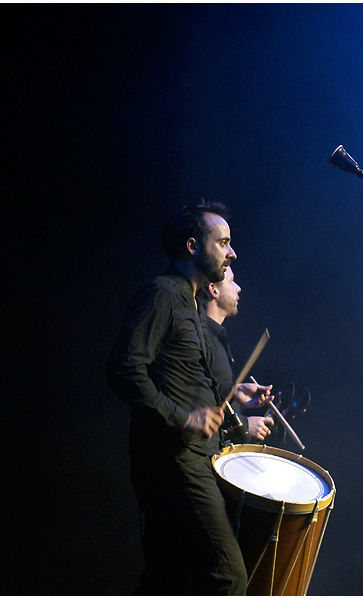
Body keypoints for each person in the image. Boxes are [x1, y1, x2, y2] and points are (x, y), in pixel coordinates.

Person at [106, 200, 274, 595]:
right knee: (228, 576)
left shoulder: (188, 302)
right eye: (223, 243)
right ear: (193, 246)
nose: (232, 253)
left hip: (191, 457)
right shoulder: (163, 294)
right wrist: (184, 419)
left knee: (170, 579)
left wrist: (230, 395)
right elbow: (124, 369)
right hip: (176, 459)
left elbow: (182, 378)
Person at [202, 266, 274, 443]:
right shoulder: (201, 338)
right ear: (214, 289)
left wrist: (235, 390)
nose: (239, 288)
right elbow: (196, 398)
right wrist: (244, 425)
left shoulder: (217, 338)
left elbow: (215, 392)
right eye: (232, 281)